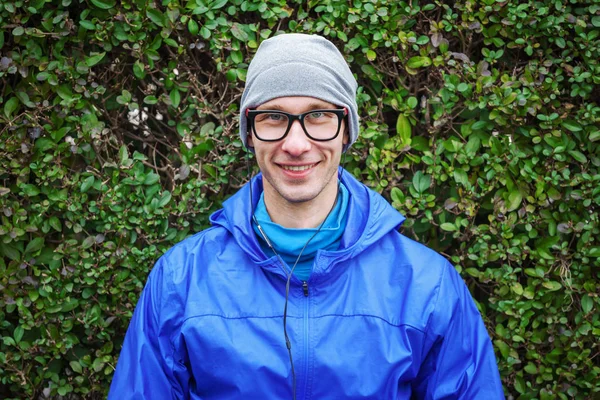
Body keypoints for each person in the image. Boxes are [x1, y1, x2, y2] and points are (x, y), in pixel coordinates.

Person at [108, 33, 505, 399]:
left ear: (346, 130)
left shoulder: (426, 285)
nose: (295, 144)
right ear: (249, 132)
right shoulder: (181, 278)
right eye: (274, 117)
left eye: (318, 115)